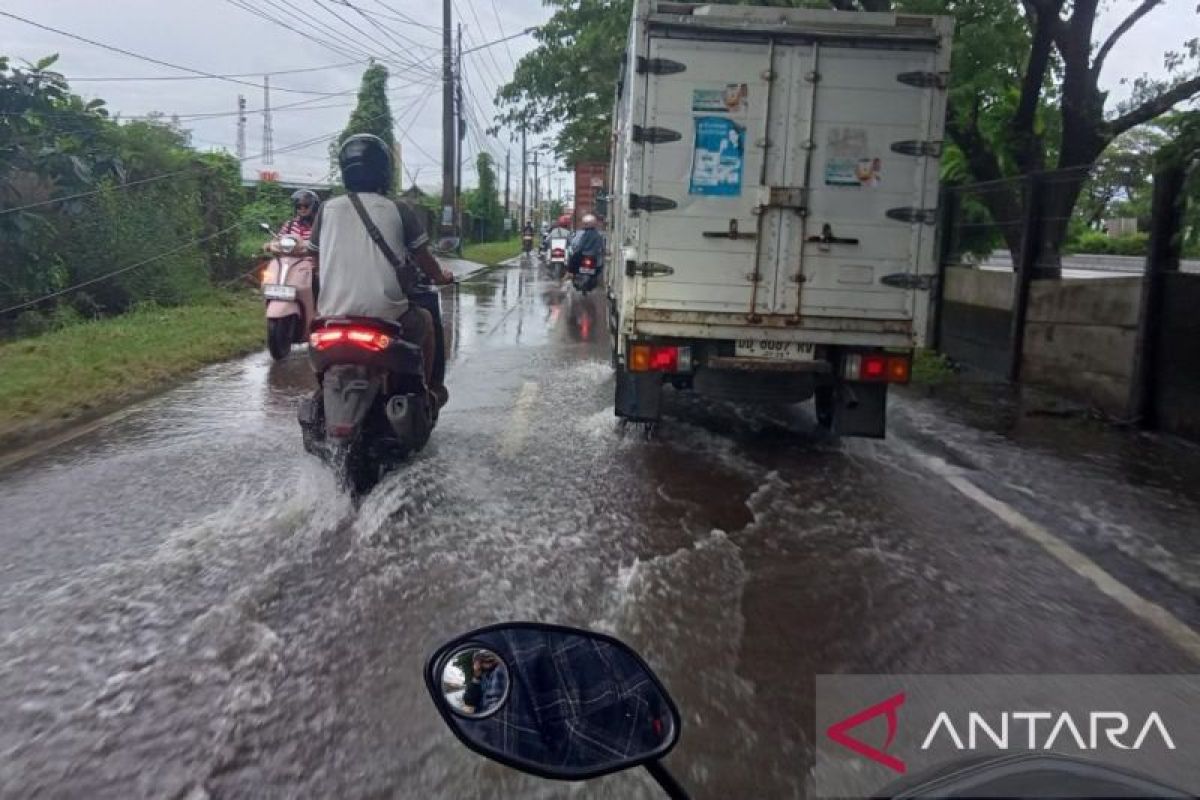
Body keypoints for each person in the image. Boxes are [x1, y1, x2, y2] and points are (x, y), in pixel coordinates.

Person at [306, 133, 455, 406]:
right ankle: (429, 391)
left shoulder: (326, 209)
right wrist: (440, 277)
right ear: (384, 170)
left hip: (332, 318)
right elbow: (424, 259)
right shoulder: (399, 210)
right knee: (425, 321)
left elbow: (313, 261)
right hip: (387, 317)